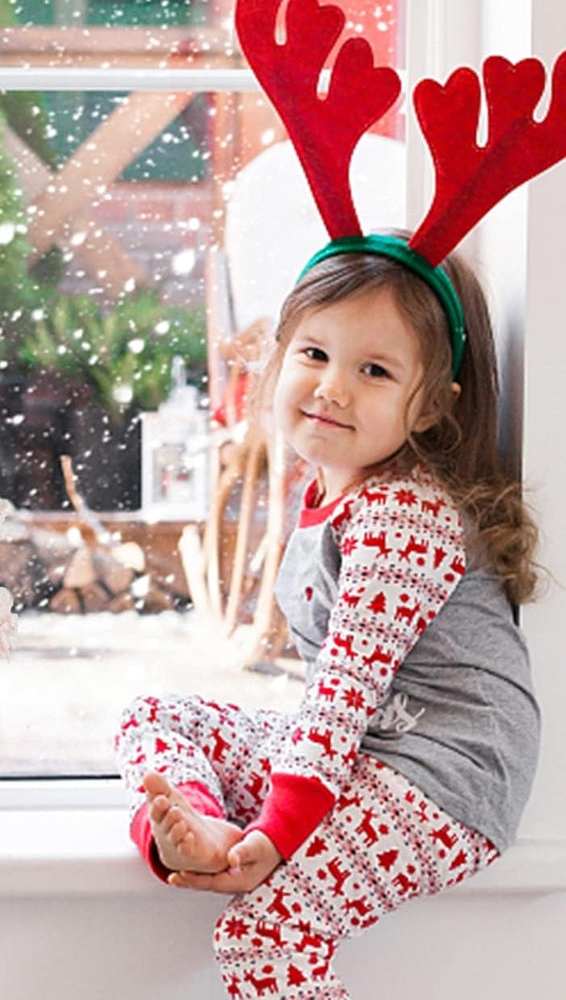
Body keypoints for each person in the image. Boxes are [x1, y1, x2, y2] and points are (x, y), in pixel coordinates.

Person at [114, 232, 541, 998]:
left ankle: (229, 847)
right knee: (158, 717)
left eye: (374, 370)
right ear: (276, 358)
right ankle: (197, 839)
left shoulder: (401, 519)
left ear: (435, 407)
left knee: (263, 932)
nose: (333, 387)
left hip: (445, 779)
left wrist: (280, 835)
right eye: (314, 354)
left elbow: (340, 699)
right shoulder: (335, 492)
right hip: (376, 752)